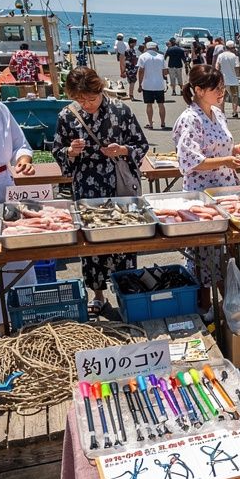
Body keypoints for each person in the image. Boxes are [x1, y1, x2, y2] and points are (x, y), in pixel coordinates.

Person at [52, 68, 149, 317]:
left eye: (91, 99)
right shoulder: (67, 115)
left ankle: (127, 290)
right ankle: (97, 295)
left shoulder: (120, 110)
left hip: (119, 184)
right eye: (80, 100)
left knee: (125, 238)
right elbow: (57, 150)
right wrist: (71, 152)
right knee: (92, 242)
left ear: (101, 90)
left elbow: (141, 143)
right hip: (87, 185)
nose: (86, 104)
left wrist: (122, 150)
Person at [173, 63, 240, 313]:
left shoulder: (217, 113)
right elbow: (191, 161)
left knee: (224, 251)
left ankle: (227, 305)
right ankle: (207, 307)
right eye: (216, 88)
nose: (221, 93)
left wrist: (236, 150)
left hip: (225, 191)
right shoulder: (189, 119)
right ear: (198, 90)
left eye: (222, 88)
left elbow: (220, 147)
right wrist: (227, 160)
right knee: (205, 251)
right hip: (203, 195)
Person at [0, 99, 39, 304]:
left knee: (17, 249)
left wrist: (23, 161)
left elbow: (20, 144)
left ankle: (24, 313)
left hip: (4, 184)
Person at [137, 41, 169, 129]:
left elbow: (141, 71)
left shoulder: (142, 56)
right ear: (156, 48)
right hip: (159, 84)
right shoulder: (161, 56)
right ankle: (163, 123)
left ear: (146, 48)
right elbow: (165, 72)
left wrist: (140, 84)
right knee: (161, 104)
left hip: (147, 84)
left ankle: (150, 123)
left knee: (149, 104)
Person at [215, 40, 240, 118]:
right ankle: (234, 112)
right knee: (235, 96)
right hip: (233, 80)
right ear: (233, 48)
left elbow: (217, 67)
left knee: (222, 96)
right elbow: (237, 68)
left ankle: (222, 112)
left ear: (226, 47)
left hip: (223, 80)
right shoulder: (235, 56)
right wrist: (239, 77)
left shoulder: (220, 56)